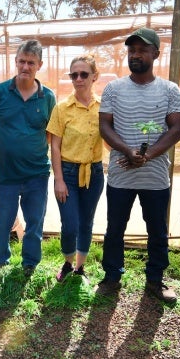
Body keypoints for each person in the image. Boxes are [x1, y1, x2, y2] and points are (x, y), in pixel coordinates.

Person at [96, 27, 180, 304]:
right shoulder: (113, 88)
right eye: (131, 50)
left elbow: (177, 129)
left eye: (142, 50)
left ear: (156, 54)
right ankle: (112, 277)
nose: (135, 55)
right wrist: (127, 150)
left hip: (155, 177)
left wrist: (148, 155)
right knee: (115, 228)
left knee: (157, 229)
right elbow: (105, 126)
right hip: (121, 175)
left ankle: (155, 279)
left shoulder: (170, 90)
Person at [0, 39, 56, 277]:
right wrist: (2, 150)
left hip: (37, 174)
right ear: (15, 62)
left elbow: (48, 133)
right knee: (2, 220)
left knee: (35, 221)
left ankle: (30, 263)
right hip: (6, 174)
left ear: (39, 65)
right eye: (21, 61)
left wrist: (31, 151)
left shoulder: (48, 97)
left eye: (31, 62)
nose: (25, 66)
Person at [46, 55, 104, 281]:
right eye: (74, 75)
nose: (78, 79)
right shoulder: (62, 109)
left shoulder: (102, 108)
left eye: (84, 74)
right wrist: (58, 179)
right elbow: (55, 146)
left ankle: (80, 267)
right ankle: (68, 262)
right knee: (69, 224)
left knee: (86, 222)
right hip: (68, 174)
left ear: (94, 77)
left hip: (94, 173)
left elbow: (110, 138)